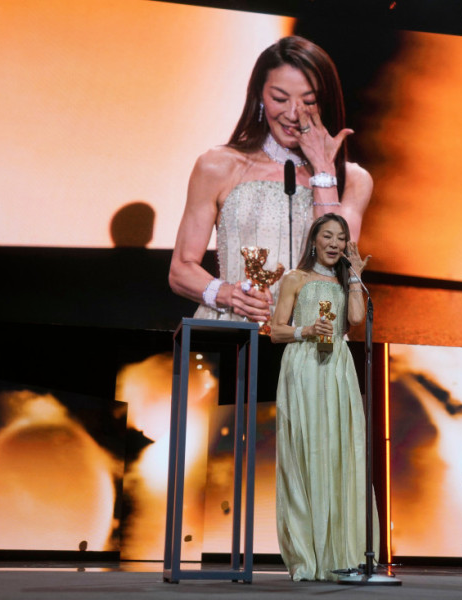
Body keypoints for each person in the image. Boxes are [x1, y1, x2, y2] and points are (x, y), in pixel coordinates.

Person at [168, 36, 373, 323]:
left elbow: (333, 267)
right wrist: (229, 294)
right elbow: (180, 270)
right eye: (279, 98)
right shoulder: (218, 166)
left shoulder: (352, 180)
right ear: (260, 97)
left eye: (308, 101)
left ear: (324, 103)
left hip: (312, 341)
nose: (292, 114)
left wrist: (323, 171)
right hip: (235, 333)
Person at [270, 213, 379, 581]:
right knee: (306, 452)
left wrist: (355, 278)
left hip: (337, 368)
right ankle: (307, 555)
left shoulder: (344, 280)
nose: (334, 243)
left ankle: (341, 552)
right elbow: (275, 331)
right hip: (303, 367)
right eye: (327, 236)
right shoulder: (294, 279)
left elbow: (356, 319)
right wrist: (305, 330)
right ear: (314, 240)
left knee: (339, 454)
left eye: (341, 238)